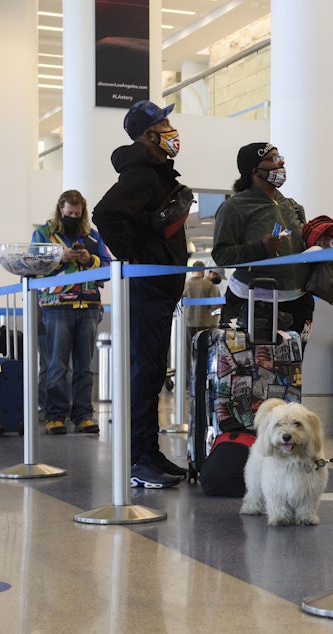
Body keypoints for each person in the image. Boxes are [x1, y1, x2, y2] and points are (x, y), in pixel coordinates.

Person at [92, 99, 189, 489]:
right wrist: (133, 253)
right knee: (144, 373)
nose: (171, 130)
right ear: (148, 135)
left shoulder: (156, 173)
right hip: (147, 288)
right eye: (164, 124)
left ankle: (148, 452)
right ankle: (136, 460)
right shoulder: (143, 176)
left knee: (150, 375)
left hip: (158, 290)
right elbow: (104, 214)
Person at [212, 142, 314, 341]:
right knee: (254, 368)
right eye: (272, 159)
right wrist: (259, 248)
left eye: (280, 157)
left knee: (293, 369)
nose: (281, 162)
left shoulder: (292, 206)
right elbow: (221, 255)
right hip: (253, 303)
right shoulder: (234, 207)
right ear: (255, 170)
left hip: (298, 302)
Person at [31, 189, 110, 435]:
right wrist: (59, 256)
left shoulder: (93, 236)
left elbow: (108, 266)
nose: (73, 217)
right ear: (60, 210)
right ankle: (54, 416)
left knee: (85, 366)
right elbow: (32, 263)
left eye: (77, 214)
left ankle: (83, 415)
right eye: (69, 213)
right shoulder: (44, 234)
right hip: (56, 306)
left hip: (88, 306)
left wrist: (89, 259)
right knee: (57, 366)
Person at [182, 261, 220, 343]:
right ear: (203, 271)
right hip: (204, 323)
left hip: (189, 323)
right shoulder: (210, 285)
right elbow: (214, 306)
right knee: (203, 350)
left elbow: (179, 304)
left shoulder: (185, 285)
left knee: (190, 351)